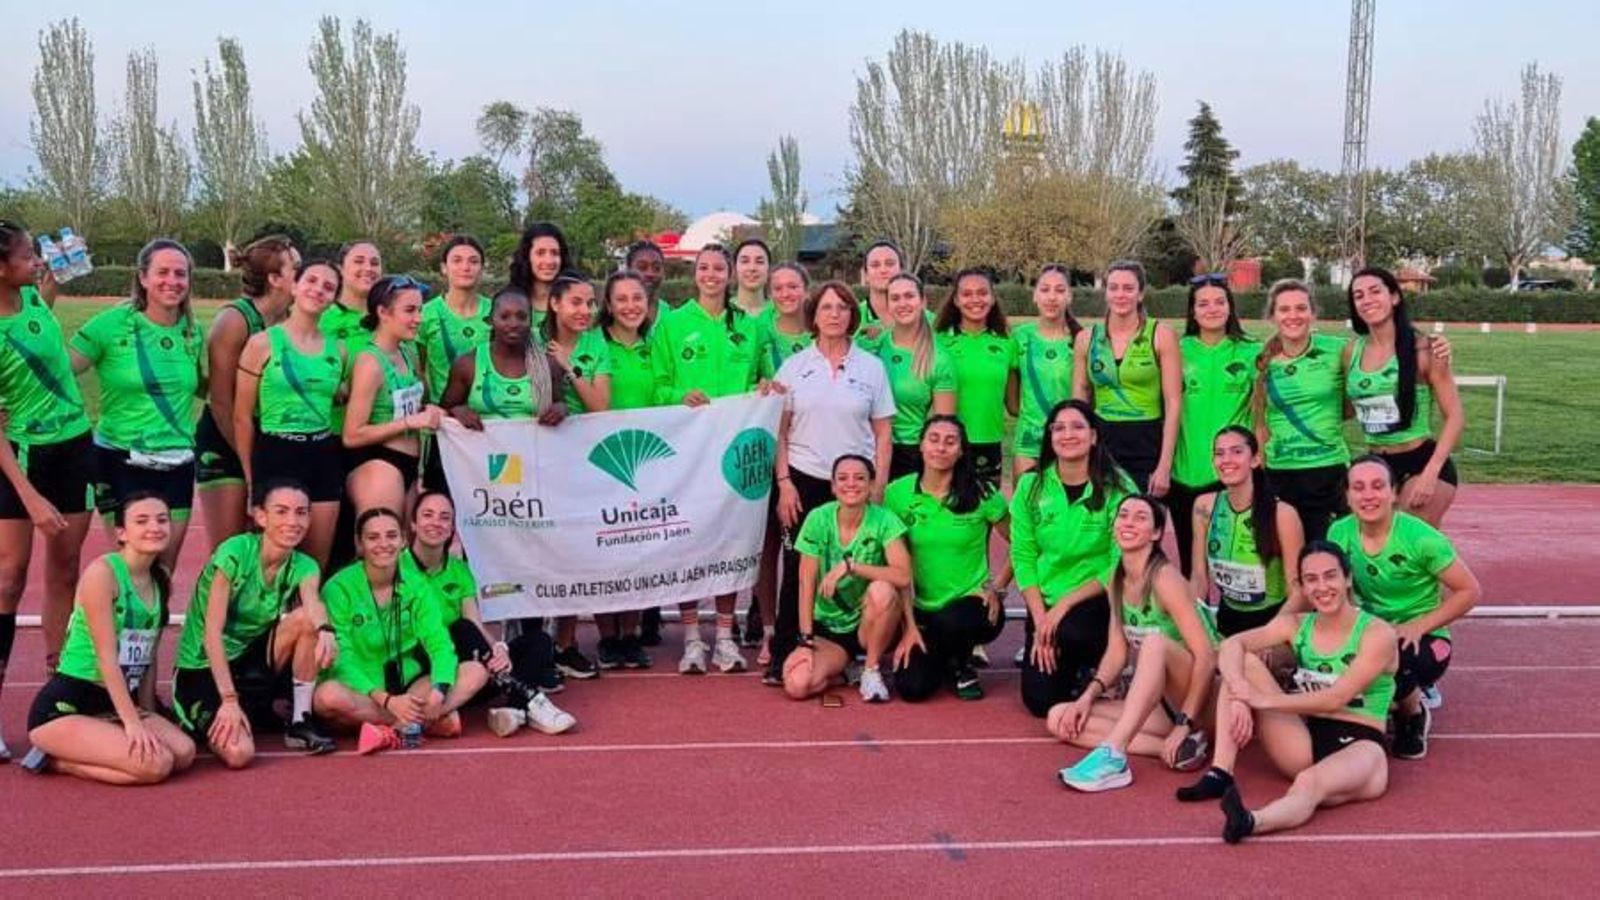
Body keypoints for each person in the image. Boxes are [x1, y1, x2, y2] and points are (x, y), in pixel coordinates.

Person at [1177, 542, 1396, 846]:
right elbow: (1230, 646)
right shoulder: (1296, 624)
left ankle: (1251, 821)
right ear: (1302, 586)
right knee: (1242, 664)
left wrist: (1262, 700)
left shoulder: (1376, 633)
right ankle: (1220, 772)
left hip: (1362, 745)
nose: (1322, 587)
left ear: (1347, 579)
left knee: (1310, 783)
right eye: (1312, 580)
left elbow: (1335, 699)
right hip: (1306, 740)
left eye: (1330, 576)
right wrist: (1240, 694)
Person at [772, 282, 896, 683]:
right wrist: (785, 482)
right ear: (814, 315)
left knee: (865, 568)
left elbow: (883, 434)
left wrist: (878, 486)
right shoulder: (794, 367)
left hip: (856, 483)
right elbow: (781, 432)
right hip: (805, 478)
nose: (834, 314)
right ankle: (787, 651)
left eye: (842, 307)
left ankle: (863, 650)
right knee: (797, 570)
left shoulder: (871, 368)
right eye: (826, 307)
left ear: (852, 316)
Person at [24, 494, 196, 784]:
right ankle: (55, 759)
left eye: (162, 519)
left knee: (184, 753)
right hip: (68, 706)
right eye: (141, 521)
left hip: (112, 705)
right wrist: (132, 724)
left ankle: (102, 738)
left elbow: (148, 656)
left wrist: (148, 712)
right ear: (121, 533)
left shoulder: (160, 580)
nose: (154, 527)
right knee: (155, 766)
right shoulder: (103, 574)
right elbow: (106, 658)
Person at [0, 223, 94, 749]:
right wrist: (31, 498)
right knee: (9, 580)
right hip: (22, 460)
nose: (34, 262)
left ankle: (59, 695)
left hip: (75, 447)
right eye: (25, 255)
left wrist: (61, 266)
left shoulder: (33, 298)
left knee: (65, 571)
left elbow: (42, 309)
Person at [650, 244, 764, 674]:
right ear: (694, 273)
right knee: (690, 544)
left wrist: (765, 389)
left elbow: (758, 380)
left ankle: (725, 637)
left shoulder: (747, 327)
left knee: (729, 543)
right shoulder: (673, 324)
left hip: (733, 454)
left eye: (720, 268)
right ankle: (693, 639)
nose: (712, 275)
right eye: (704, 268)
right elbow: (657, 386)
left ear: (731, 274)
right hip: (688, 453)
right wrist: (679, 396)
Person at [1054, 494, 1218, 791]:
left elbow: (1207, 657)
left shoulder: (1165, 579)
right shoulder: (1116, 576)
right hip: (1162, 702)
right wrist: (1087, 697)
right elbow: (1117, 651)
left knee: (1155, 643)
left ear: (1156, 533)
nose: (1128, 522)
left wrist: (1185, 722)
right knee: (1060, 718)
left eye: (1140, 518)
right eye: (1123, 515)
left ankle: (1115, 754)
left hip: (1203, 699)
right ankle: (1175, 749)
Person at [171, 481, 338, 766]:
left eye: (301, 513)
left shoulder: (304, 565)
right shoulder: (234, 553)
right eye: (282, 512)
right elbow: (212, 634)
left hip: (249, 664)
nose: (293, 521)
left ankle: (300, 721)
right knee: (239, 754)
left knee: (307, 621)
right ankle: (210, 713)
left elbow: (312, 601)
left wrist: (326, 631)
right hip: (203, 669)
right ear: (261, 516)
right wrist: (228, 699)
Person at [1327, 456, 1480, 759]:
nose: (1368, 495)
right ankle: (1375, 708)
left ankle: (1412, 712)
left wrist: (1418, 626)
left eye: (1377, 486)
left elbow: (1470, 591)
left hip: (1422, 637)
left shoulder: (1422, 539)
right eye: (1358, 487)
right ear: (1347, 495)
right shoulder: (1338, 532)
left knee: (1392, 656)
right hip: (1370, 628)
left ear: (1394, 493)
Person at [69, 239, 204, 571]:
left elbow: (203, 387)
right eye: (162, 272)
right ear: (143, 277)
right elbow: (60, 373)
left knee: (164, 573)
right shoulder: (109, 325)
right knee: (132, 570)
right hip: (120, 460)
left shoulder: (192, 332)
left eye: (180, 274)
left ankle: (149, 627)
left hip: (178, 463)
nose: (172, 281)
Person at [402, 491, 575, 736]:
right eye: (427, 515)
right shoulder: (398, 568)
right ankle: (531, 698)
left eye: (444, 518)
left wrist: (498, 649)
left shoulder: (460, 570)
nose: (436, 523)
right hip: (426, 663)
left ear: (452, 527)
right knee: (460, 629)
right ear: (413, 523)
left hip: (469, 663)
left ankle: (512, 709)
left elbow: (475, 622)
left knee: (540, 641)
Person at [313, 507, 485, 752]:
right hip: (363, 692)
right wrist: (387, 700)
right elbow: (343, 659)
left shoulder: (417, 585)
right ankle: (421, 723)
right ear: (359, 544)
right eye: (373, 537)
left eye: (392, 536)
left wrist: (439, 689)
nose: (384, 544)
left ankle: (392, 730)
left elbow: (439, 643)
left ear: (404, 539)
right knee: (326, 697)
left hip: (409, 688)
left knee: (476, 671)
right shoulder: (338, 588)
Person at [1012, 400, 1131, 717]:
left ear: (1093, 436)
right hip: (1047, 603)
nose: (1068, 434)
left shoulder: (1117, 486)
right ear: (1050, 437)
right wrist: (1040, 620)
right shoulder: (1030, 485)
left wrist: (1063, 606)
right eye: (1059, 428)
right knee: (1040, 703)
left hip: (1097, 599)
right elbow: (1023, 556)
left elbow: (1120, 562)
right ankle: (1076, 667)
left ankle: (1099, 662)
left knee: (1072, 629)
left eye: (1077, 427)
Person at [884, 416, 1009, 701]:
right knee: (912, 689)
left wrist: (998, 586)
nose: (941, 447)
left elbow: (1022, 544)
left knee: (950, 623)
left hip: (973, 604)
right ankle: (943, 658)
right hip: (923, 609)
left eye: (950, 442)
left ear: (962, 450)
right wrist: (909, 627)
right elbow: (896, 564)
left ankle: (961, 665)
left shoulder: (983, 493)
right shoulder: (898, 493)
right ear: (921, 445)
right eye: (934, 439)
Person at [234, 259, 347, 568]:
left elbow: (341, 394)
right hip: (276, 452)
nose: (318, 290)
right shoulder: (261, 343)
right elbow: (242, 417)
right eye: (311, 281)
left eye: (328, 287)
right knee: (273, 560)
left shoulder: (338, 351)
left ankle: (306, 616)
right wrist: (251, 480)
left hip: (322, 455)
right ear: (295, 286)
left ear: (334, 298)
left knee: (315, 562)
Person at [195, 236, 297, 551]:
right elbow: (222, 403)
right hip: (225, 442)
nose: (304, 275)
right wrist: (252, 463)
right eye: (297, 268)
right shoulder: (234, 321)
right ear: (275, 279)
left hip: (268, 438)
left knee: (268, 549)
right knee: (231, 551)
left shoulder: (292, 321)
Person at [783, 454, 911, 703]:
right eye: (842, 478)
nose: (850, 484)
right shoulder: (818, 518)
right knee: (797, 686)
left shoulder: (885, 520)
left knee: (882, 589)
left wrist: (851, 566)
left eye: (859, 478)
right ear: (832, 486)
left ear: (872, 485)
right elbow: (806, 583)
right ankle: (846, 671)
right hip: (830, 630)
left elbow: (904, 576)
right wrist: (806, 641)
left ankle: (871, 670)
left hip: (869, 622)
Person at [1345, 267, 1465, 526]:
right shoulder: (1351, 351)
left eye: (1375, 292)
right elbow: (1347, 408)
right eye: (1359, 295)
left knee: (1409, 544)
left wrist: (1431, 473)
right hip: (1377, 463)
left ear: (1395, 297)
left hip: (1420, 461)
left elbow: (1455, 416)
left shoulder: (1424, 349)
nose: (1367, 300)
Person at [542, 272, 613, 679]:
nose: (584, 311)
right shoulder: (534, 341)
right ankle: (533, 641)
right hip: (543, 460)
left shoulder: (594, 344)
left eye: (589, 303)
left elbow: (600, 405)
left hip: (584, 461)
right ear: (555, 304)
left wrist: (568, 370)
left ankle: (566, 642)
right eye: (576, 303)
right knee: (542, 549)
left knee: (575, 549)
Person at [593, 270, 661, 668]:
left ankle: (631, 634)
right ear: (609, 305)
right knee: (605, 549)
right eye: (622, 299)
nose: (631, 306)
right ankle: (607, 637)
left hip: (646, 461)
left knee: (640, 549)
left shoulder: (657, 346)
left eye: (638, 298)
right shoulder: (596, 346)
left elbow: (667, 389)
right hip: (602, 459)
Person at [1170, 275, 1261, 573]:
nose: (1212, 309)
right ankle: (1195, 616)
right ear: (1192, 311)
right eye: (1203, 303)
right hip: (1186, 474)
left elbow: (1264, 411)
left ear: (1230, 307)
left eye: (1220, 302)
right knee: (1191, 563)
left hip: (1234, 475)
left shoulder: (1252, 351)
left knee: (1242, 559)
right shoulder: (1176, 350)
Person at [341, 276, 443, 527]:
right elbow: (352, 435)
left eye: (419, 310)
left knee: (402, 550)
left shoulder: (407, 351)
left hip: (409, 466)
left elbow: (416, 402)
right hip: (379, 464)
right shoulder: (370, 362)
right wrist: (410, 421)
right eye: (409, 310)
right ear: (383, 313)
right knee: (381, 548)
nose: (418, 318)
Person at [1073, 260, 1182, 495]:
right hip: (1102, 440)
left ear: (1141, 293)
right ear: (1106, 292)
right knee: (1101, 523)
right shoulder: (1086, 338)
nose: (1120, 295)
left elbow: (1173, 403)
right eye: (1114, 288)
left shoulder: (1161, 335)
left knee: (1142, 522)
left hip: (1146, 440)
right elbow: (1079, 399)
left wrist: (1164, 466)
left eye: (1128, 288)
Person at [1254, 279, 1349, 542]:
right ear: (1272, 316)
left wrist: (1430, 343)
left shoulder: (1338, 349)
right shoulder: (1263, 360)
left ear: (1313, 313)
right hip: (1280, 474)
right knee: (1284, 562)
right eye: (1284, 309)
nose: (1293, 316)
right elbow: (1260, 422)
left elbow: (1383, 347)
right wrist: (1263, 467)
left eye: (1300, 308)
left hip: (1328, 471)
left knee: (1328, 560)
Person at [1191, 427, 1305, 636]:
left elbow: (1297, 591)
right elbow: (1199, 577)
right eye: (1219, 453)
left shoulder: (1283, 514)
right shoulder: (1204, 506)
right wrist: (1192, 618)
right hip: (1228, 618)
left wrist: (1270, 635)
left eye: (1236, 452)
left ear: (1255, 460)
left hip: (1272, 620)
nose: (1226, 460)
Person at [418, 235, 493, 493]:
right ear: (443, 267)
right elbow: (417, 371)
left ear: (482, 268)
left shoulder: (496, 313)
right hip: (444, 428)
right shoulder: (425, 314)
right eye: (457, 260)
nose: (465, 267)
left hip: (490, 425)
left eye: (473, 261)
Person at [934, 268, 1018, 487]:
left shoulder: (1007, 343)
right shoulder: (938, 342)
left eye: (982, 293)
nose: (975, 300)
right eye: (967, 294)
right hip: (947, 443)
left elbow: (1014, 406)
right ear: (956, 300)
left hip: (989, 443)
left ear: (992, 298)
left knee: (986, 515)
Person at [870, 273, 957, 482]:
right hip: (866, 448)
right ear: (888, 305)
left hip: (909, 454)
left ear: (923, 301)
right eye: (895, 298)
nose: (903, 304)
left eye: (909, 296)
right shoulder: (873, 345)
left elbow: (944, 425)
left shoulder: (940, 358)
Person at [1013, 265, 1083, 482]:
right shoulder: (1019, 336)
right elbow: (1012, 400)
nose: (1052, 297)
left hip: (1068, 436)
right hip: (1029, 438)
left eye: (1060, 290)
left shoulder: (1081, 339)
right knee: (1025, 507)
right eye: (1045, 290)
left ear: (1069, 296)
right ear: (1035, 295)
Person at [506, 221, 572, 327]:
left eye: (554, 253)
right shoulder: (509, 302)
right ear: (527, 257)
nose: (549, 261)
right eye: (540, 253)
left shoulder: (576, 305)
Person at [856, 240, 904, 337]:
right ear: (865, 275)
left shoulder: (929, 322)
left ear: (902, 271)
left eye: (890, 264)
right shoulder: (851, 319)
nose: (883, 270)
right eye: (875, 265)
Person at [733, 237, 771, 317]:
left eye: (759, 262)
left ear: (769, 269)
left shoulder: (782, 313)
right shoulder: (720, 312)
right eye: (745, 261)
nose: (752, 268)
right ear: (735, 268)